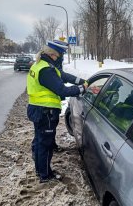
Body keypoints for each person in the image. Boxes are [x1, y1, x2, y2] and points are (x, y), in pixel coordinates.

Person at [27, 40, 88, 183]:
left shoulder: (42, 64)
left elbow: (64, 76)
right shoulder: (46, 70)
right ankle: (45, 175)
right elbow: (62, 90)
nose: (61, 57)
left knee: (39, 141)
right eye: (60, 55)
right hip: (45, 112)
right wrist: (82, 89)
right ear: (53, 54)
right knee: (45, 144)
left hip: (38, 109)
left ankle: (39, 169)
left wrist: (83, 81)